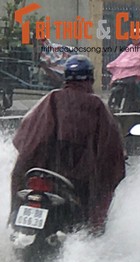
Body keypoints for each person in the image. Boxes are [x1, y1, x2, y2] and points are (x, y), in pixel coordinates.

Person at [10, 55, 126, 234]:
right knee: (98, 201)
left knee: (18, 177)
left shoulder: (51, 99)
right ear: (90, 79)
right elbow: (111, 152)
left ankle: (12, 221)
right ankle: (92, 231)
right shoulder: (97, 106)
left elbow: (27, 135)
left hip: (41, 169)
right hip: (78, 180)